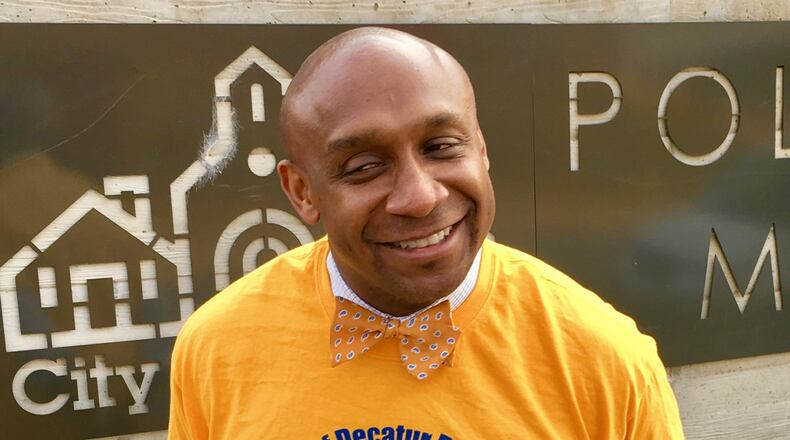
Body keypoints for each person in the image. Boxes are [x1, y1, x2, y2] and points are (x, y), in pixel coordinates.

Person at [168, 27, 684, 439]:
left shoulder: (606, 360)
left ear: (481, 149)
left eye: (441, 147)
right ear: (302, 192)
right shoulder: (215, 350)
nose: (420, 197)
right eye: (365, 166)